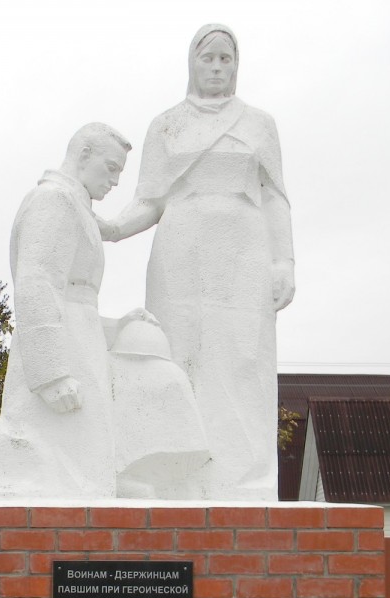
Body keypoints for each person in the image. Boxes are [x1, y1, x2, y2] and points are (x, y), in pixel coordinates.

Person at [102, 23, 294, 500]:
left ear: (236, 66)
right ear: (192, 63)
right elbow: (149, 200)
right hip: (181, 248)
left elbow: (275, 198)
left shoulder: (258, 123)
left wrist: (284, 261)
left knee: (241, 357)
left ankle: (243, 480)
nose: (215, 68)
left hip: (243, 247)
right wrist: (110, 227)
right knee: (178, 353)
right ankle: (176, 474)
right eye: (207, 58)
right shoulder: (167, 124)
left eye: (224, 59)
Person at [0, 123, 128, 497]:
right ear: (83, 155)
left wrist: (119, 327)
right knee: (77, 479)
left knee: (89, 477)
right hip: (60, 366)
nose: (115, 181)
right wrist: (51, 374)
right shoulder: (54, 200)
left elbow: (78, 301)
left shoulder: (74, 205)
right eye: (111, 168)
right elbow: (37, 282)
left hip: (77, 346)